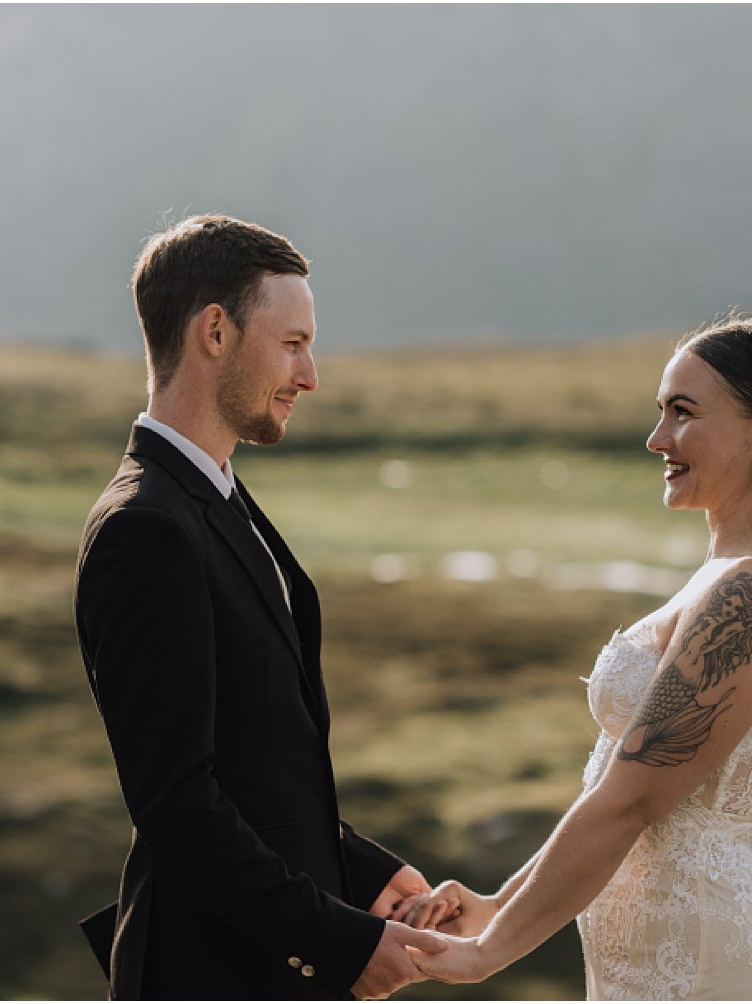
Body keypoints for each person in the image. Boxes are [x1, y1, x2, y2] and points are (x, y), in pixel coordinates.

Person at [397, 306, 752, 999]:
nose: (657, 438)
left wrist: (487, 953)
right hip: (648, 971)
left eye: (683, 413)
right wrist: (497, 904)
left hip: (713, 970)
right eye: (661, 412)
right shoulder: (728, 575)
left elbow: (630, 801)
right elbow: (612, 789)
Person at [73, 214, 450, 1000]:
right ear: (215, 330)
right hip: (210, 974)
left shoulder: (215, 495)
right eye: (291, 344)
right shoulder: (144, 529)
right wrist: (337, 940)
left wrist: (361, 871)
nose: (309, 374)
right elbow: (177, 802)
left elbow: (257, 764)